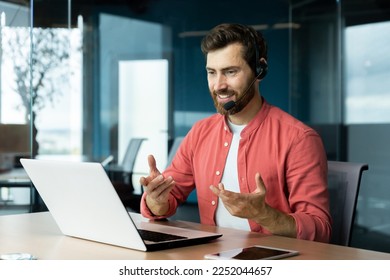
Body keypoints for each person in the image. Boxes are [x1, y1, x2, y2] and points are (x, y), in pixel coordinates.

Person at [139, 23, 332, 243]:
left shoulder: (299, 139)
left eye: (230, 72)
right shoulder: (200, 132)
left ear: (260, 70)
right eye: (212, 73)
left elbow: (320, 229)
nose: (219, 85)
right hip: (210, 257)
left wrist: (264, 214)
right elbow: (168, 198)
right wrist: (157, 200)